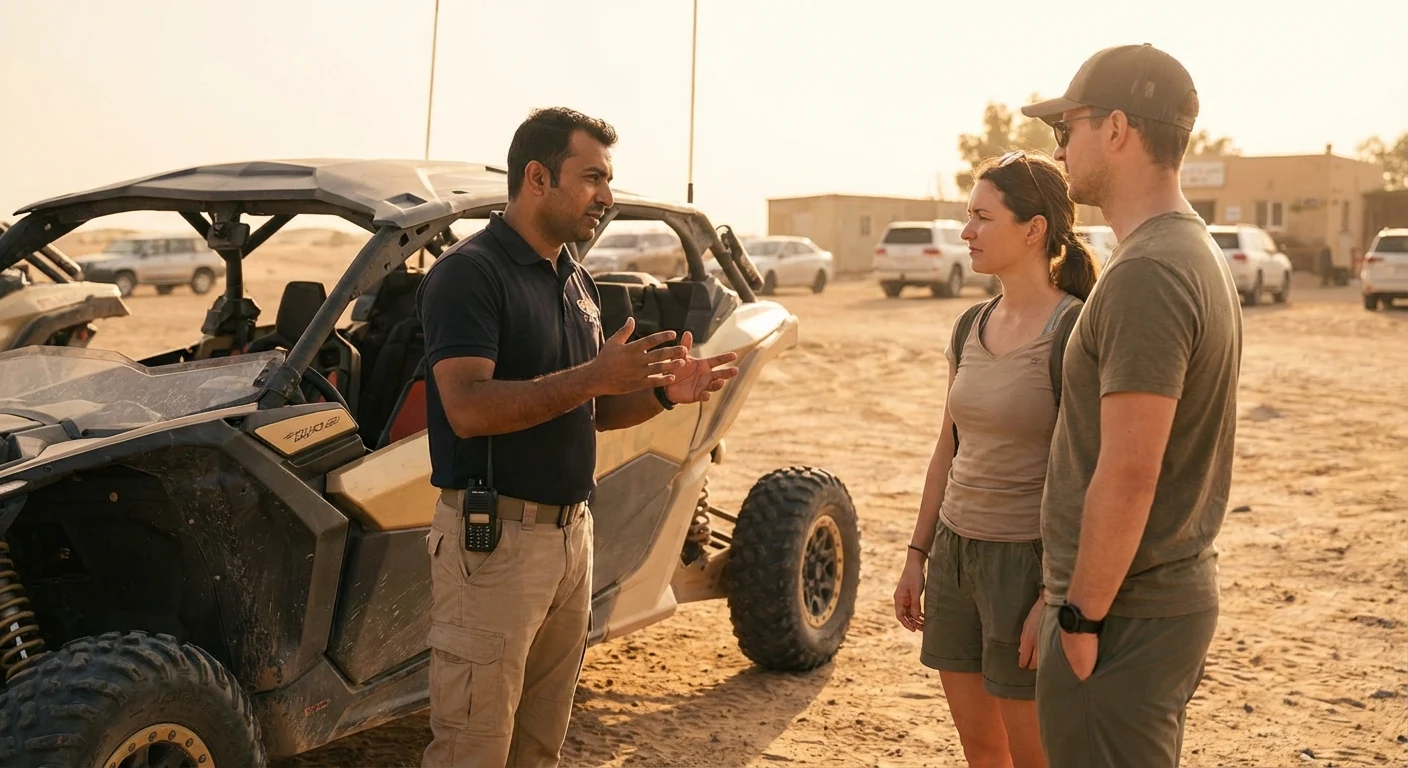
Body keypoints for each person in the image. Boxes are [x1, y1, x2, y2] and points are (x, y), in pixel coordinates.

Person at [415, 107, 739, 768]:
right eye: (592, 177)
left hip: (569, 542)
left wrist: (657, 394)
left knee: (538, 748)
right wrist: (593, 375)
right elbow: (467, 408)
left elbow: (586, 410)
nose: (607, 197)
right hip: (493, 544)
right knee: (472, 749)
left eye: (609, 180)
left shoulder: (576, 280)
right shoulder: (469, 273)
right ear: (537, 177)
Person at [1019, 44, 1243, 766]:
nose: (1058, 146)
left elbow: (1130, 467)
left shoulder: (1150, 270)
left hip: (1121, 618)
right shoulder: (1188, 250)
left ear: (1116, 128)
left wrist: (1079, 617)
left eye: (1069, 126)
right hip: (1148, 606)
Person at [893, 149, 1098, 768]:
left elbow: (1092, 475)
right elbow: (947, 450)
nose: (966, 232)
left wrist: (1052, 593)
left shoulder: (1074, 330)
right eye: (967, 216)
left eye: (982, 217)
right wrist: (917, 555)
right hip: (956, 557)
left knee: (1032, 756)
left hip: (1026, 566)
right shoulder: (968, 325)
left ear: (1034, 229)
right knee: (982, 751)